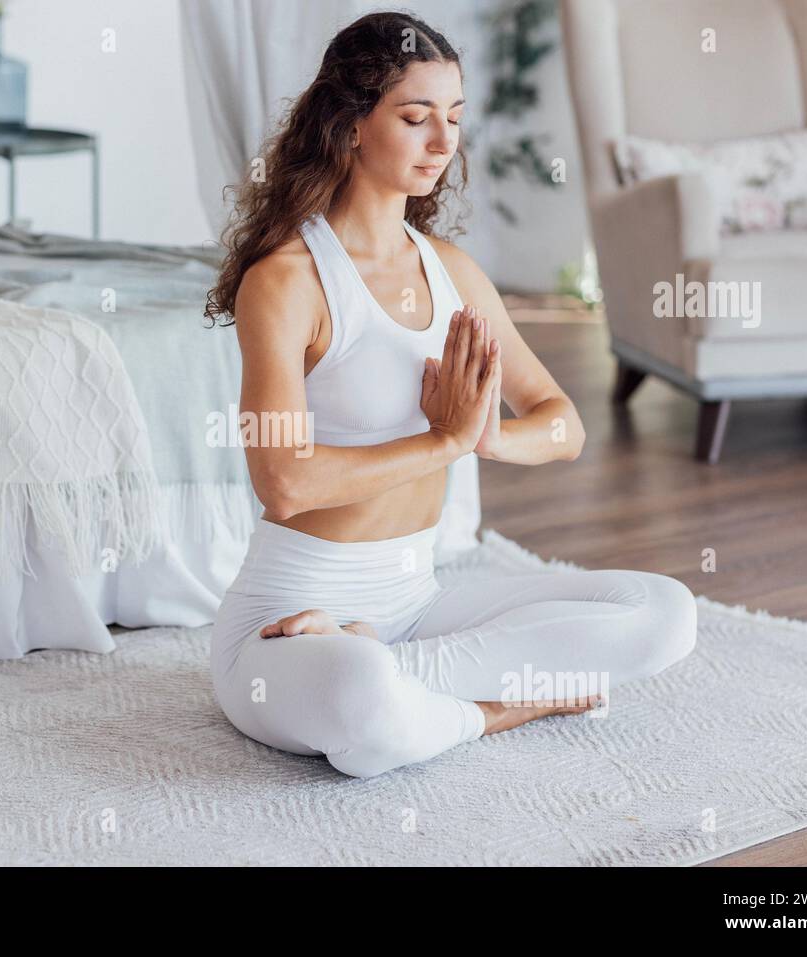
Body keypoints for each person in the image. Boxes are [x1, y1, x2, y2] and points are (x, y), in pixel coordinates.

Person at [202, 11, 698, 778]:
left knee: (665, 614)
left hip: (418, 601)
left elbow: (563, 425)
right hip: (284, 622)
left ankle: (409, 687)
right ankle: (510, 701)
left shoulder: (452, 272)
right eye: (415, 117)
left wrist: (489, 437)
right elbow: (286, 481)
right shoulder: (288, 280)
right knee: (356, 691)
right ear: (351, 124)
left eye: (455, 118)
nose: (443, 141)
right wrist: (441, 442)